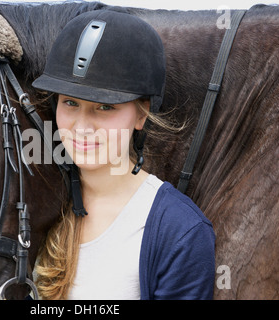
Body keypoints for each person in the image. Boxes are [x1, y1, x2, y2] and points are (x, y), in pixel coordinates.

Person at [32, 9, 215, 300]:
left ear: (141, 113)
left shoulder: (181, 231)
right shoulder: (35, 201)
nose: (81, 126)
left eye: (104, 107)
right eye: (70, 103)